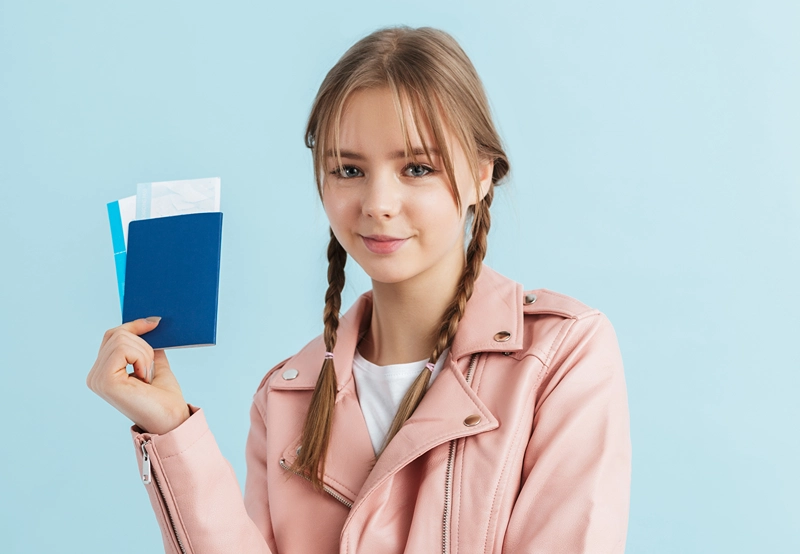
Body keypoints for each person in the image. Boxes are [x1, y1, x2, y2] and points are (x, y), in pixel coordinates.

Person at [87, 25, 631, 554]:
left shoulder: (560, 357)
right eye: (349, 170)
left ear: (482, 174)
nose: (377, 203)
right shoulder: (285, 396)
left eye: (417, 167)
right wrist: (172, 430)